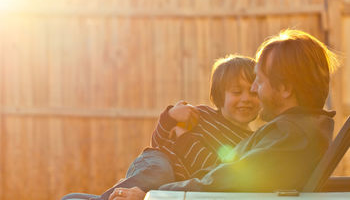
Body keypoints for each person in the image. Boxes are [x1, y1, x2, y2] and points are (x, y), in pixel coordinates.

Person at [152, 29, 339, 194]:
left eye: (259, 81)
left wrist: (152, 193)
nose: (254, 89)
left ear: (284, 88)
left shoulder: (292, 136)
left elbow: (220, 182)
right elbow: (219, 174)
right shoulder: (292, 131)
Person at [61, 55, 261, 200]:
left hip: (175, 183)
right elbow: (159, 143)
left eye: (253, 92)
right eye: (236, 92)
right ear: (219, 95)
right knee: (160, 172)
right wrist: (170, 117)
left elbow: (212, 171)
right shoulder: (200, 115)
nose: (246, 99)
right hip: (158, 162)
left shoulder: (249, 143)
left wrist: (184, 141)